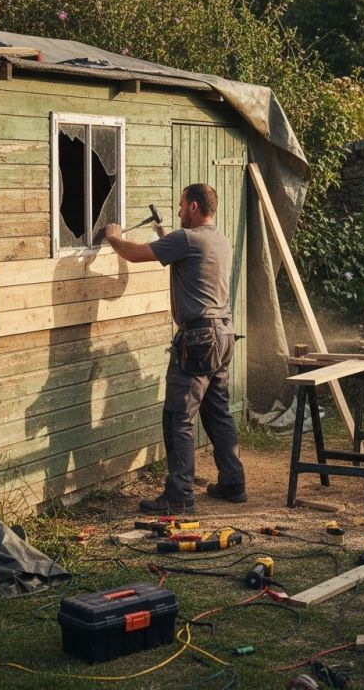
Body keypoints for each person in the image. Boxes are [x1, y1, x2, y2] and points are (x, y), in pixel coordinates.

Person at [105, 183, 246, 513]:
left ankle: (179, 494)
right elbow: (186, 258)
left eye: (182, 205)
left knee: (177, 418)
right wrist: (162, 234)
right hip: (223, 336)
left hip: (198, 340)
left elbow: (135, 254)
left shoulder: (186, 239)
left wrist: (113, 238)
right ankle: (233, 483)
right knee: (217, 412)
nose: (179, 210)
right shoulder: (218, 239)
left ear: (194, 207)